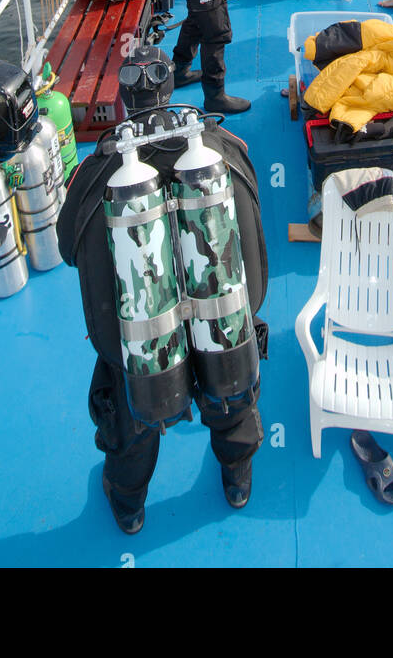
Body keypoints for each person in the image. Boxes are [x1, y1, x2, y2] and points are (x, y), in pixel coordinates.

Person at [57, 46, 267, 536]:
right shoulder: (222, 148)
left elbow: (69, 248)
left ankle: (129, 503)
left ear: (126, 102)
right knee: (232, 393)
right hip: (223, 319)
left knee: (132, 411)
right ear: (171, 91)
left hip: (138, 335)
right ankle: (237, 476)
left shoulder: (98, 174)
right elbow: (254, 229)